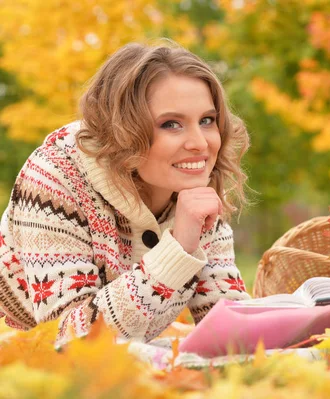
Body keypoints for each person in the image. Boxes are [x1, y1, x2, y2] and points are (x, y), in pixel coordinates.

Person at [0, 40, 252, 347]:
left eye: (207, 120)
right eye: (171, 124)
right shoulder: (54, 178)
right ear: (123, 131)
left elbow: (228, 322)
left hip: (122, 369)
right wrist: (177, 250)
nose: (200, 142)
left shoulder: (194, 188)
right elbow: (69, 341)